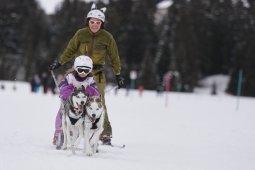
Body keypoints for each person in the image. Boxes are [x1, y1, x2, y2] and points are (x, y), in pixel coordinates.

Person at [49, 3, 124, 145]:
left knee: (98, 102)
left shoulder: (107, 37)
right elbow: (70, 50)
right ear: (87, 22)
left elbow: (114, 57)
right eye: (92, 22)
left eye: (98, 23)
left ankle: (104, 134)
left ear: (101, 24)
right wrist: (59, 62)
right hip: (78, 71)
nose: (94, 25)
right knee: (69, 101)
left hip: (97, 73)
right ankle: (63, 131)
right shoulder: (80, 34)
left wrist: (118, 74)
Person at [52, 55, 100, 145]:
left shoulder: (90, 80)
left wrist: (88, 88)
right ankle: (60, 131)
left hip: (83, 104)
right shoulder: (70, 78)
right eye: (80, 69)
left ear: (90, 70)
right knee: (62, 112)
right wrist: (71, 86)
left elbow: (97, 94)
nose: (83, 73)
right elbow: (61, 91)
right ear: (75, 68)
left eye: (86, 70)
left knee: (93, 113)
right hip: (69, 103)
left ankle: (91, 136)